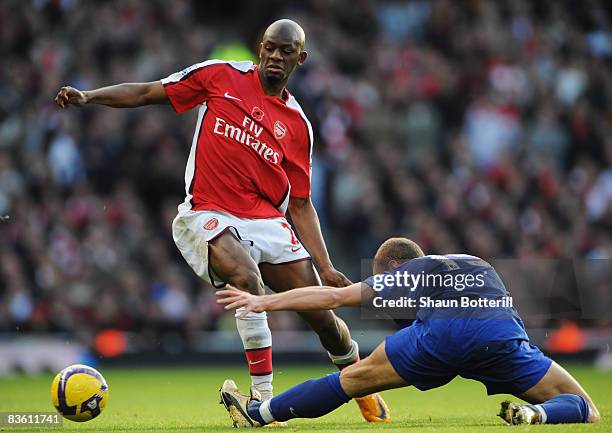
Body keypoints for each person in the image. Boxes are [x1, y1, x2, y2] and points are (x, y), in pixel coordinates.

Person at [54, 19, 389, 422]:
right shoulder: (220, 76)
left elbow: (301, 204)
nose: (274, 57)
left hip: (266, 219)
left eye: (285, 52)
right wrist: (89, 97)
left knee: (324, 319)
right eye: (269, 48)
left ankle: (360, 386)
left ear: (300, 59)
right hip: (207, 211)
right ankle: (262, 401)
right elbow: (146, 91)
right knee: (247, 280)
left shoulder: (298, 125)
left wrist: (327, 265)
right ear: (259, 47)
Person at [217, 237, 601, 427]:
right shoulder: (476, 262)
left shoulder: (408, 271)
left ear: (393, 267)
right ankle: (538, 414)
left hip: (443, 335)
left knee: (351, 379)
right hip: (501, 335)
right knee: (587, 409)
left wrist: (264, 302)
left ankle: (260, 414)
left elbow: (333, 297)